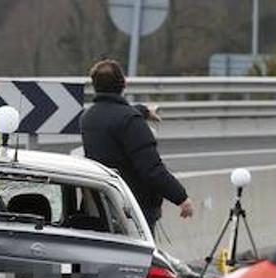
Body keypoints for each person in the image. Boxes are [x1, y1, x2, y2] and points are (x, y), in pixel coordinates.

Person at [80, 58, 193, 229]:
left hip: (102, 204)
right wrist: (181, 197)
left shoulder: (88, 118)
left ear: (94, 85)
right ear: (123, 83)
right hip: (134, 208)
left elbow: (113, 117)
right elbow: (151, 169)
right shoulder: (130, 121)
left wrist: (143, 111)